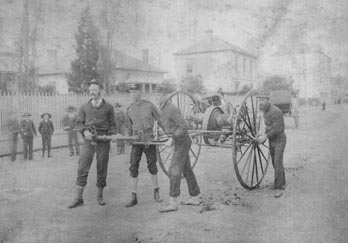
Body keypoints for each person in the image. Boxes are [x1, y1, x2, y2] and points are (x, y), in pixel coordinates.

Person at [68, 80, 117, 208]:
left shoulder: (109, 107)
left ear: (100, 91)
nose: (91, 92)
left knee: (102, 167)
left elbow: (113, 125)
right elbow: (79, 123)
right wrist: (84, 131)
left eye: (94, 90)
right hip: (88, 140)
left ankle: (100, 196)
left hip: (103, 140)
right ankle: (78, 198)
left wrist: (112, 137)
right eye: (90, 90)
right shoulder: (84, 106)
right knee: (82, 166)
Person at [158, 95, 201, 213]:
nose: (157, 97)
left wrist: (172, 138)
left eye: (159, 94)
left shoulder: (171, 108)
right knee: (187, 170)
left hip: (182, 142)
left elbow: (183, 126)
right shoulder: (163, 109)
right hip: (179, 142)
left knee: (174, 170)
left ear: (165, 97)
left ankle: (173, 203)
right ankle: (195, 197)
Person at [124, 84, 162, 207]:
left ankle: (156, 192)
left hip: (148, 139)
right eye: (131, 92)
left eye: (135, 91)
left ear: (140, 92)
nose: (133, 94)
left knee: (152, 165)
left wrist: (167, 132)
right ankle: (133, 196)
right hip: (136, 141)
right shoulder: (129, 109)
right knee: (133, 166)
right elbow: (127, 126)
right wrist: (127, 137)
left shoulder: (149, 106)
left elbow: (160, 119)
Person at [256, 90, 286, 198]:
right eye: (260, 100)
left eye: (263, 100)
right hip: (272, 140)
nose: (261, 102)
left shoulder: (276, 111)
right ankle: (282, 182)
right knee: (275, 162)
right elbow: (266, 126)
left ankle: (278, 188)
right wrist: (261, 134)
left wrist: (265, 137)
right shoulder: (265, 111)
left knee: (277, 162)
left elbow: (277, 129)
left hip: (279, 139)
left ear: (269, 101)